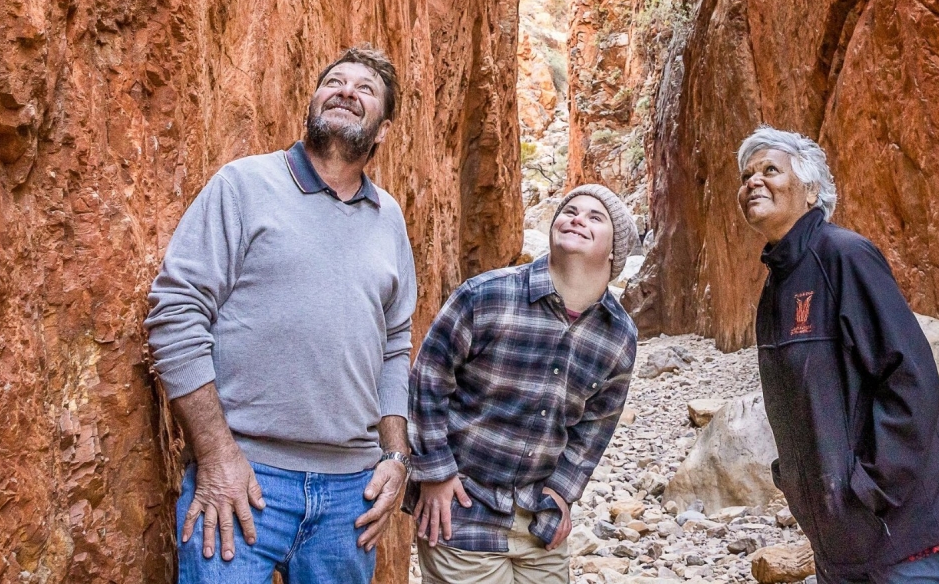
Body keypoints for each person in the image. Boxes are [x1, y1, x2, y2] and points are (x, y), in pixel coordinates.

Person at [146, 47, 416, 584]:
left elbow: (395, 343)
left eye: (364, 89)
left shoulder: (390, 219)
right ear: (313, 101)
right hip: (244, 479)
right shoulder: (243, 185)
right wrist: (217, 454)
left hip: (349, 498)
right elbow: (175, 312)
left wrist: (395, 457)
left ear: (382, 130)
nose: (345, 90)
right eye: (334, 82)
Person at [735, 127, 939, 584]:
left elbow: (911, 378)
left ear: (810, 191)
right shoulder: (776, 287)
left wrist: (869, 487)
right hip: (841, 546)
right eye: (747, 175)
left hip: (904, 540)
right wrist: (797, 486)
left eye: (770, 170)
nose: (753, 182)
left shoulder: (845, 257)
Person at [405, 184, 641, 584]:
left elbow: (595, 427)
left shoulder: (619, 336)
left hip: (540, 526)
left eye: (594, 217)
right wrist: (435, 472)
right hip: (463, 510)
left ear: (615, 251)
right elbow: (428, 380)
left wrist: (563, 492)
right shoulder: (485, 296)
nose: (578, 218)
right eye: (570, 210)